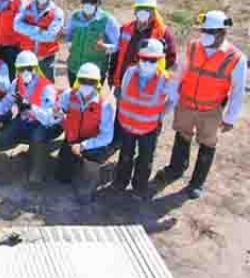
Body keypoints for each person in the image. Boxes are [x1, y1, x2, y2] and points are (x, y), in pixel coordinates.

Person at [155, 11, 246, 199]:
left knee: (207, 144)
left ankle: (197, 183)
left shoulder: (236, 58)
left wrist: (230, 118)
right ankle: (176, 168)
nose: (205, 34)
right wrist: (171, 96)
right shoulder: (193, 47)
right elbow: (179, 73)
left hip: (211, 110)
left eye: (210, 31)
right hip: (186, 104)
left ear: (222, 33)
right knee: (182, 136)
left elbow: (238, 91)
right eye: (204, 30)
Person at [112, 39, 176, 200]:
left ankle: (139, 187)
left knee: (145, 158)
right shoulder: (130, 72)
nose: (147, 62)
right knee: (125, 154)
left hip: (149, 128)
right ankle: (120, 181)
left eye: (152, 60)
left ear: (160, 60)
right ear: (139, 57)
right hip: (127, 125)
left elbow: (173, 100)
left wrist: (161, 115)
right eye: (144, 59)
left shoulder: (165, 79)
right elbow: (123, 94)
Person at [0, 51, 62, 185]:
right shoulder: (16, 83)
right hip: (25, 120)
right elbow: (7, 100)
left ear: (35, 68)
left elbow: (49, 117)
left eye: (29, 68)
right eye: (21, 69)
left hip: (47, 125)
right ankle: (27, 147)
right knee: (2, 139)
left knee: (37, 137)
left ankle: (37, 170)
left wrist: (30, 107)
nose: (25, 72)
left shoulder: (46, 87)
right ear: (17, 69)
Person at [54, 63, 115, 203]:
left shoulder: (104, 105)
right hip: (72, 140)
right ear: (78, 80)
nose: (86, 84)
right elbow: (57, 110)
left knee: (84, 194)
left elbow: (107, 136)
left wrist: (84, 145)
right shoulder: (68, 95)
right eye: (83, 80)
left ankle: (90, 175)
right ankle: (76, 165)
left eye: (91, 81)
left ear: (97, 83)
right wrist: (57, 114)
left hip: (92, 144)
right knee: (62, 178)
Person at [111, 0, 178, 88]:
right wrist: (111, 76)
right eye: (140, 9)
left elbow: (171, 60)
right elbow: (116, 54)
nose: (143, 12)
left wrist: (155, 74)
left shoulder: (163, 33)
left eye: (147, 9)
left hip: (148, 87)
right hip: (122, 83)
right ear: (135, 11)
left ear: (154, 12)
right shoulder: (125, 28)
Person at [64, 0, 120, 88]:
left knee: (93, 102)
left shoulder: (108, 20)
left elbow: (118, 45)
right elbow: (67, 36)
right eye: (85, 1)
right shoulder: (74, 16)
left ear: (99, 2)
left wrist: (105, 47)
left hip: (95, 73)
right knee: (75, 100)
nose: (88, 4)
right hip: (74, 68)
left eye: (92, 1)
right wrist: (65, 40)